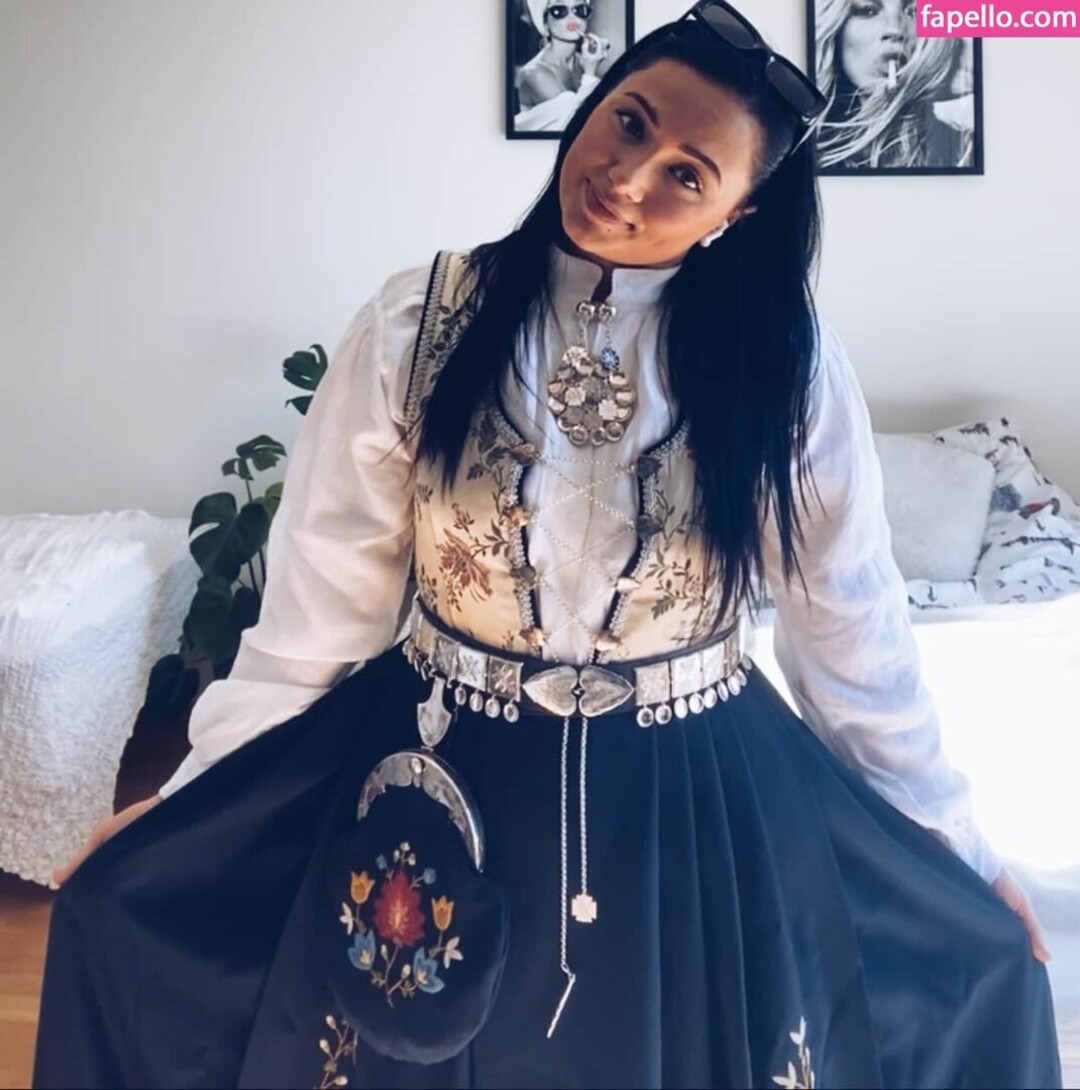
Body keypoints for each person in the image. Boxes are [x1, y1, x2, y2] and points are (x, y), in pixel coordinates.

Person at [35, 2, 1061, 1087]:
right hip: (438, 783)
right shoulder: (418, 326)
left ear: (739, 212)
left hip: (693, 811)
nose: (628, 177)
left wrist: (958, 850)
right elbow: (311, 627)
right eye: (629, 121)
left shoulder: (786, 370)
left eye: (687, 175)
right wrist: (186, 807)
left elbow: (853, 634)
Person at [814, 0, 976, 169]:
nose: (895, 29)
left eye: (915, 12)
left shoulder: (960, 144)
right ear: (837, 26)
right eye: (868, 10)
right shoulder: (806, 148)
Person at [514, 1, 611, 133]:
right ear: (545, 24)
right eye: (559, 11)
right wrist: (590, 73)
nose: (572, 17)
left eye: (580, 9)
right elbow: (580, 123)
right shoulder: (535, 74)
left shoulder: (584, 61)